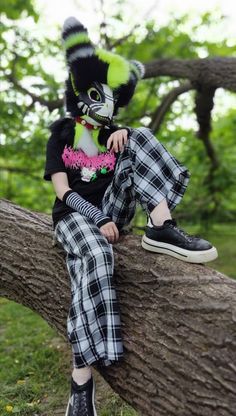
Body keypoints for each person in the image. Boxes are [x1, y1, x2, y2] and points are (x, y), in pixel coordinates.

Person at [44, 17, 218, 416]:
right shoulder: (62, 134)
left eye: (111, 95)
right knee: (97, 259)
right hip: (74, 216)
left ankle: (160, 225)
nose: (104, 102)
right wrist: (98, 219)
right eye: (97, 92)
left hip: (112, 211)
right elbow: (63, 192)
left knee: (139, 135)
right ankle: (81, 383)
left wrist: (124, 137)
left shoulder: (114, 134)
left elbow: (132, 163)